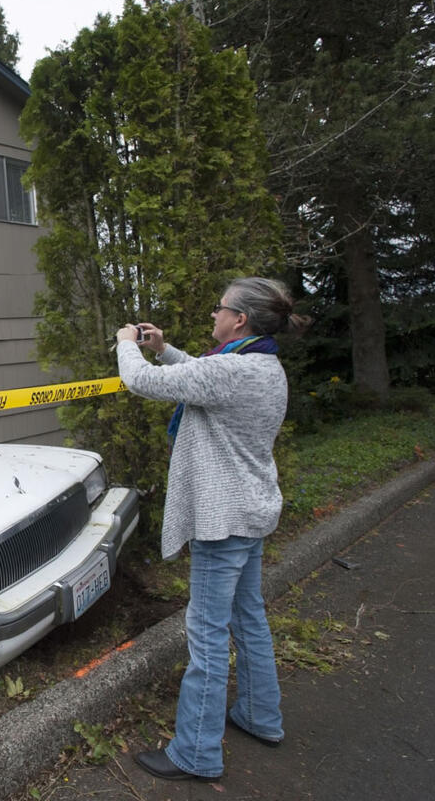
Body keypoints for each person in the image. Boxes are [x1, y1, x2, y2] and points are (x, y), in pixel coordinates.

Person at [113, 277, 310, 782]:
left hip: (223, 522)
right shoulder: (262, 365)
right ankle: (260, 717)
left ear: (240, 320)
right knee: (248, 621)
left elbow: (144, 383)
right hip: (250, 513)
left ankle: (196, 751)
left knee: (206, 637)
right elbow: (205, 375)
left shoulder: (236, 370)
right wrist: (166, 349)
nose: (213, 317)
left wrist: (126, 345)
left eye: (219, 310)